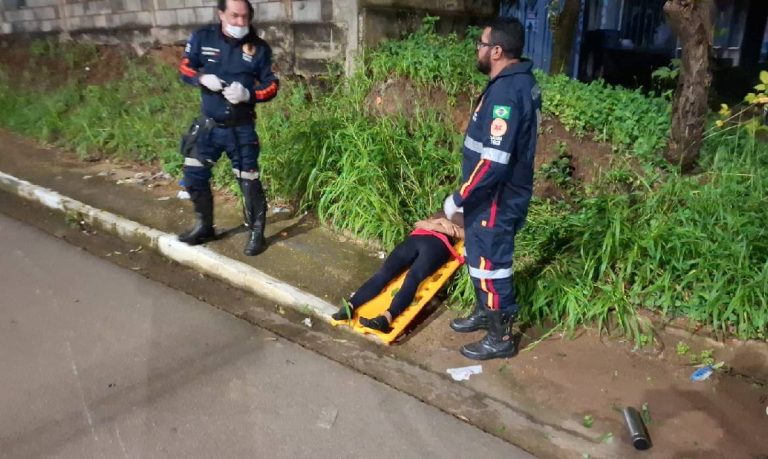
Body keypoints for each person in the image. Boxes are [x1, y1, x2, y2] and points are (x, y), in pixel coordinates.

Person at [442, 17, 541, 360]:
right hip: (489, 195)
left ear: (497, 51)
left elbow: (494, 160)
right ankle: (486, 312)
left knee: (491, 264)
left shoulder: (507, 92)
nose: (478, 50)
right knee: (479, 255)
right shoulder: (512, 83)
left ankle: (500, 337)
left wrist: (459, 196)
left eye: (482, 45)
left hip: (496, 196)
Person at [177, 0, 279, 256]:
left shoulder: (259, 48)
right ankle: (204, 226)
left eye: (245, 18)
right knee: (193, 176)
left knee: (249, 183)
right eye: (234, 17)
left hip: (241, 128)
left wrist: (249, 94)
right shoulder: (202, 38)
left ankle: (256, 233)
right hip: (208, 127)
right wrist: (201, 78)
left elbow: (271, 85)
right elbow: (184, 68)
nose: (240, 23)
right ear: (221, 14)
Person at [333, 212, 464, 333]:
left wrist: (436, 224)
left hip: (435, 244)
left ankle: (380, 317)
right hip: (423, 240)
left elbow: (465, 234)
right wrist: (444, 223)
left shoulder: (471, 215)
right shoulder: (452, 207)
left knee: (404, 277)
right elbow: (420, 223)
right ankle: (354, 308)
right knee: (392, 275)